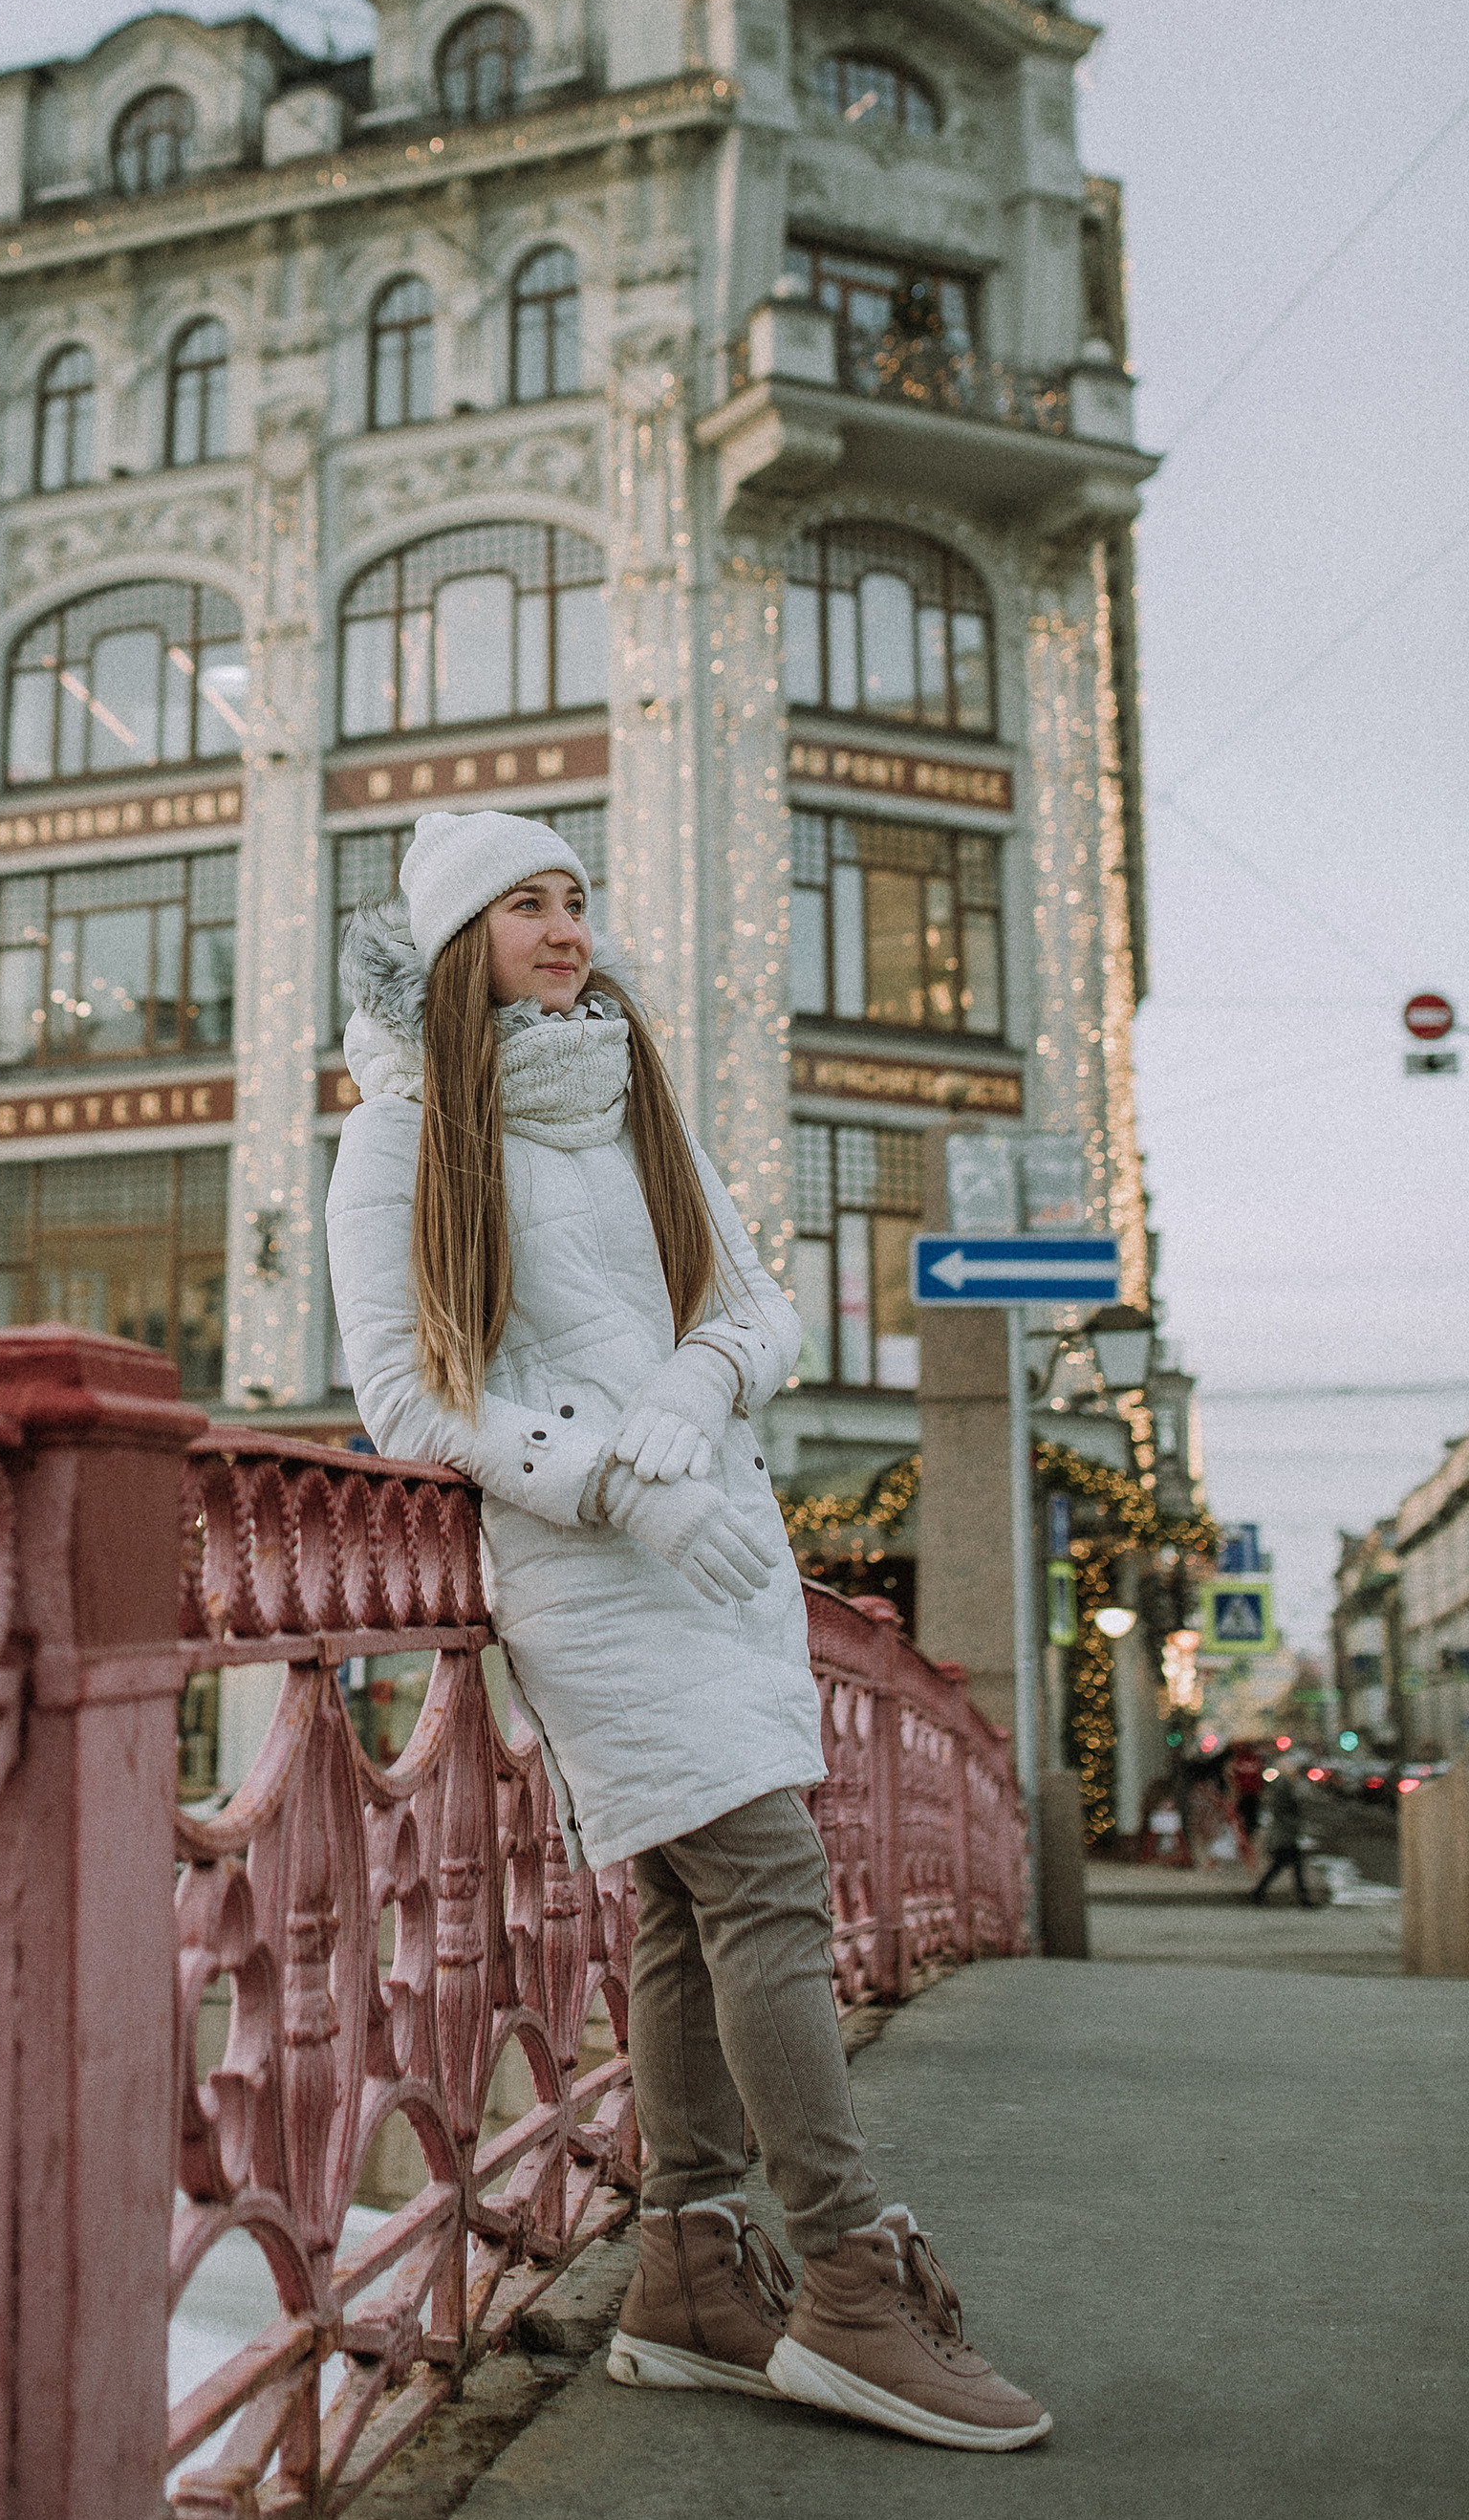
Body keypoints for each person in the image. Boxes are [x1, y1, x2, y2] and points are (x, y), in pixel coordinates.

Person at [326, 812, 1051, 2455]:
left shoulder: (631, 1083)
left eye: (578, 895)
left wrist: (689, 1391)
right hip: (597, 1563)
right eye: (528, 903)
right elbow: (407, 1396)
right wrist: (617, 1479)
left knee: (680, 1898)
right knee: (767, 1874)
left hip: (720, 1540)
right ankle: (855, 2286)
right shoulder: (403, 1134)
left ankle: (689, 2270)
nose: (566, 926)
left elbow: (755, 1305)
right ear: (460, 944)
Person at [1249, 1762, 1317, 1906]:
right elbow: (1288, 1806)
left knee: (1283, 1865)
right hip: (1284, 1834)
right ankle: (1302, 1897)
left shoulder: (1282, 1784)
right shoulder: (1285, 1785)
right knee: (1288, 1865)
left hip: (1285, 1833)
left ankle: (1259, 1892)